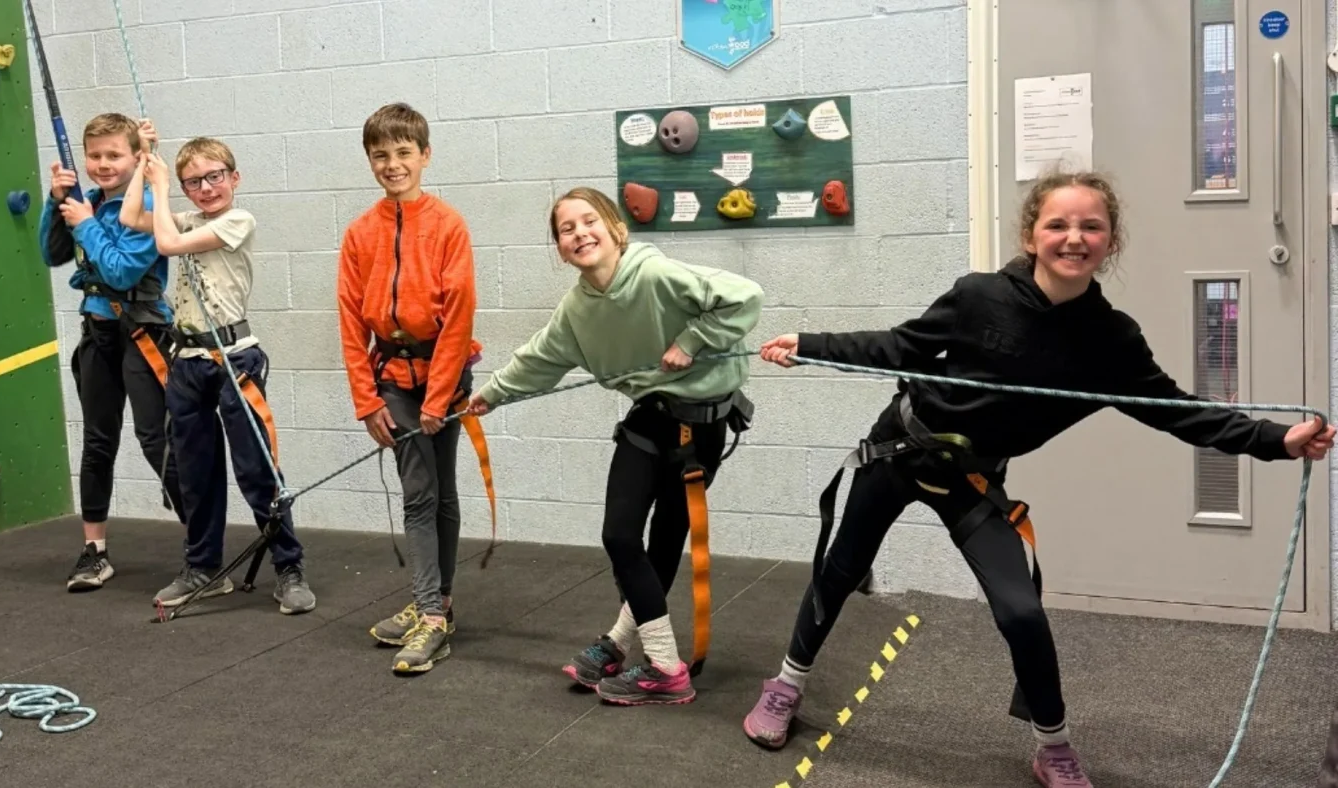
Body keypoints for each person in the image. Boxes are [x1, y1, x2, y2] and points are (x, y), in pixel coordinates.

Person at [742, 169, 1335, 788]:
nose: (1073, 237)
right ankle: (786, 684)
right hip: (900, 454)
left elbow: (1175, 411)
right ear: (1032, 235)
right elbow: (901, 347)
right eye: (1058, 224)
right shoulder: (978, 297)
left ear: (1111, 242)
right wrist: (809, 343)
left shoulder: (1111, 342)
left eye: (1091, 226)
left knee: (1022, 612)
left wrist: (1276, 439)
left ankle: (1052, 746)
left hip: (973, 483)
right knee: (838, 572)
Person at [467, 186, 765, 706]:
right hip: (649, 419)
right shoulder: (576, 311)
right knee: (620, 536)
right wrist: (489, 396)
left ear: (616, 230)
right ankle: (645, 654)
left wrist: (691, 342)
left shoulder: (654, 274)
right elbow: (538, 358)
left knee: (666, 540)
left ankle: (655, 665)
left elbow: (746, 296)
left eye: (590, 222)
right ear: (560, 251)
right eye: (567, 230)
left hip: (702, 427)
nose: (580, 234)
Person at [118, 129, 316, 615]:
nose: (206, 188)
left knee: (256, 468)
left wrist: (162, 186)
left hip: (235, 360)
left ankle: (288, 566)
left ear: (234, 178)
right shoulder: (183, 216)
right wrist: (146, 163)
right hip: (187, 363)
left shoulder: (237, 220)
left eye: (215, 177)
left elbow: (167, 244)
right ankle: (203, 568)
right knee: (195, 473)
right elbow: (128, 216)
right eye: (194, 182)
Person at [338, 102, 483, 673]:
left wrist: (441, 395)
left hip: (443, 377)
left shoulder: (448, 225)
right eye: (381, 155)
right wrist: (366, 400)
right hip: (391, 381)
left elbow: (460, 317)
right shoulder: (360, 233)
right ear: (370, 161)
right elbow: (350, 320)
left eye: (403, 153)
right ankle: (432, 606)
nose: (392, 164)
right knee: (421, 493)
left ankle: (434, 612)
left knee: (439, 492)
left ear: (425, 155)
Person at [38, 112, 185, 593]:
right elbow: (52, 253)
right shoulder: (90, 202)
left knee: (155, 440)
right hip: (98, 332)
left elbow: (121, 272)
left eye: (114, 155)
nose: (103, 165)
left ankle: (201, 544)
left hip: (143, 333)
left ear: (135, 157)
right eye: (95, 156)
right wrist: (57, 201)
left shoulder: (145, 205)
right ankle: (94, 551)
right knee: (97, 443)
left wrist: (85, 224)